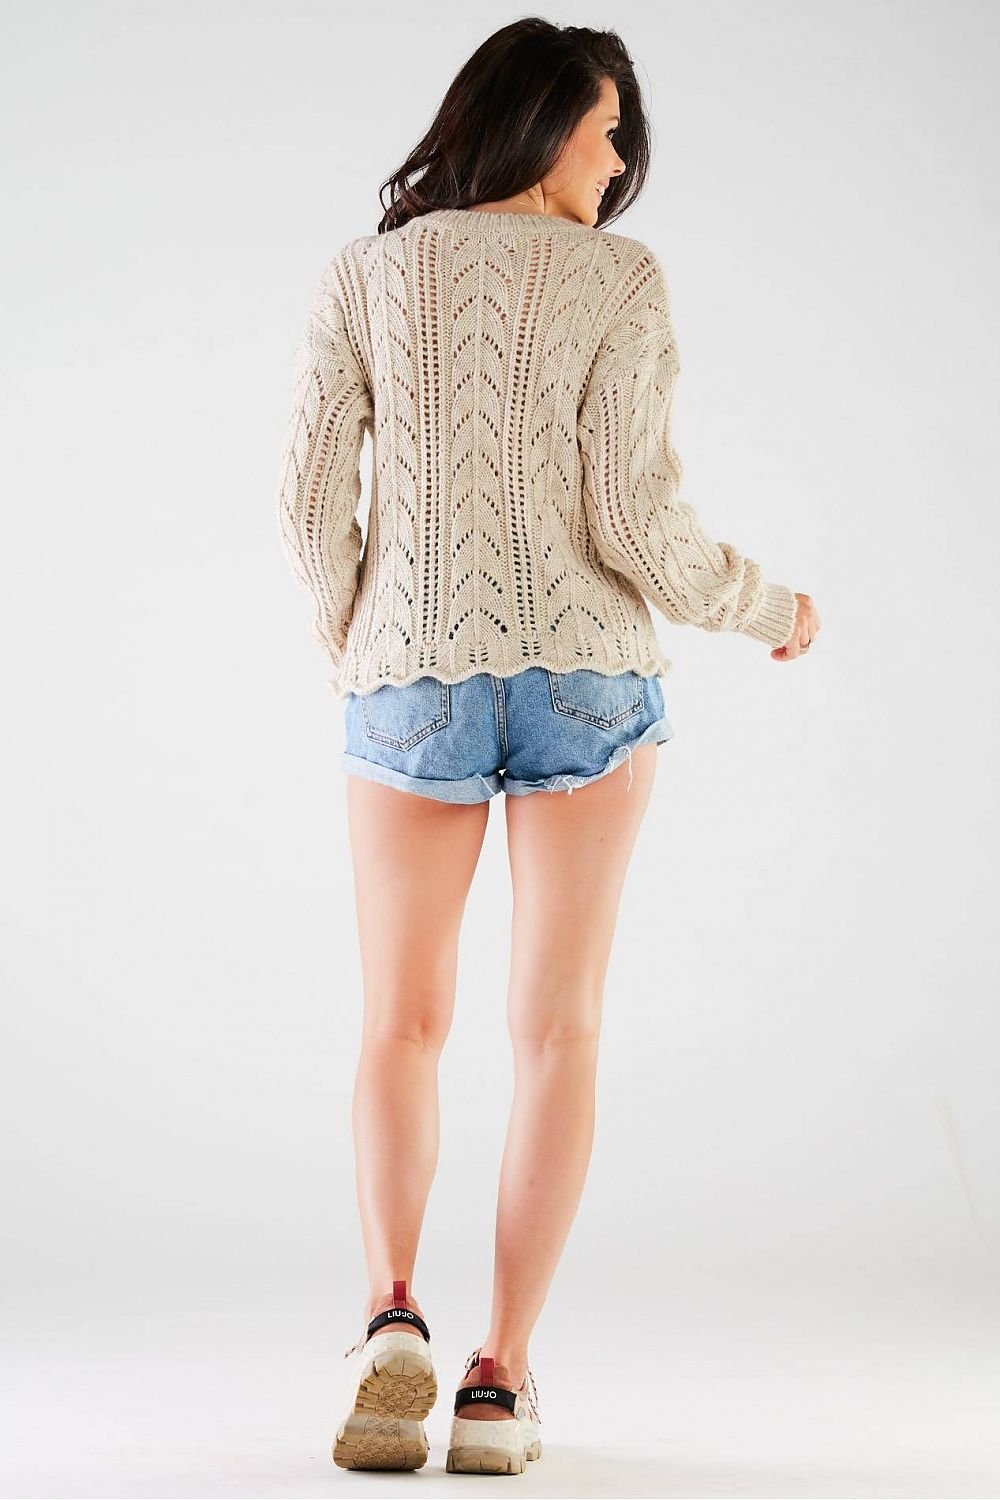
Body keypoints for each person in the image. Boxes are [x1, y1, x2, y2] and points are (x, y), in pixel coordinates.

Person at [275, 18, 821, 1477]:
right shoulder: (618, 281)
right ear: (536, 121)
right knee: (558, 1030)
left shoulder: (367, 273)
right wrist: (769, 607)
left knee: (400, 1023)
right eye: (606, 127)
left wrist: (365, 648)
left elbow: (309, 500)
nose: (621, 158)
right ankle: (498, 1385)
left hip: (408, 676)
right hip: (588, 677)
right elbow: (637, 523)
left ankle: (390, 1314)